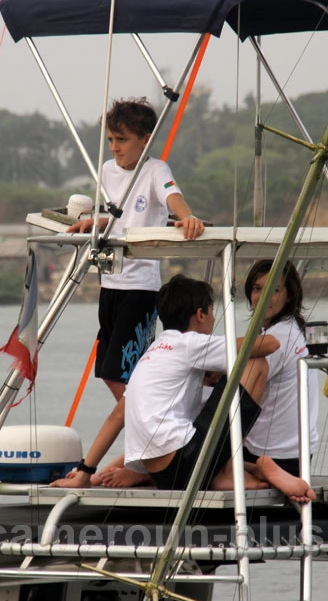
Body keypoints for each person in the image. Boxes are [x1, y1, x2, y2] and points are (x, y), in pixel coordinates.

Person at [56, 274, 314, 502]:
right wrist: (221, 369)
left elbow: (116, 417)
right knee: (255, 363)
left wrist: (85, 472)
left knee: (185, 420)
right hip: (186, 463)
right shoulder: (191, 344)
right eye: (212, 312)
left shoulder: (154, 353)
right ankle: (231, 469)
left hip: (165, 475)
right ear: (200, 314)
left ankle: (248, 469)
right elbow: (269, 345)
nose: (214, 319)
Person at [67, 97, 204, 402]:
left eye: (123, 140)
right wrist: (96, 223)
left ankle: (149, 423)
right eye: (111, 140)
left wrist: (187, 217)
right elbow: (122, 215)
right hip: (110, 281)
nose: (115, 147)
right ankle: (145, 423)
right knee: (105, 370)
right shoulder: (106, 170)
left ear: (145, 140)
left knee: (122, 371)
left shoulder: (156, 170)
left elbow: (173, 198)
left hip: (140, 288)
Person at [241, 261, 319, 494]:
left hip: (272, 455)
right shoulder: (294, 329)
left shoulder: (278, 338)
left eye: (273, 290)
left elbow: (237, 386)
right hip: (299, 454)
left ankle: (257, 470)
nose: (263, 297)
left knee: (194, 460)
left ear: (288, 296)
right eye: (257, 289)